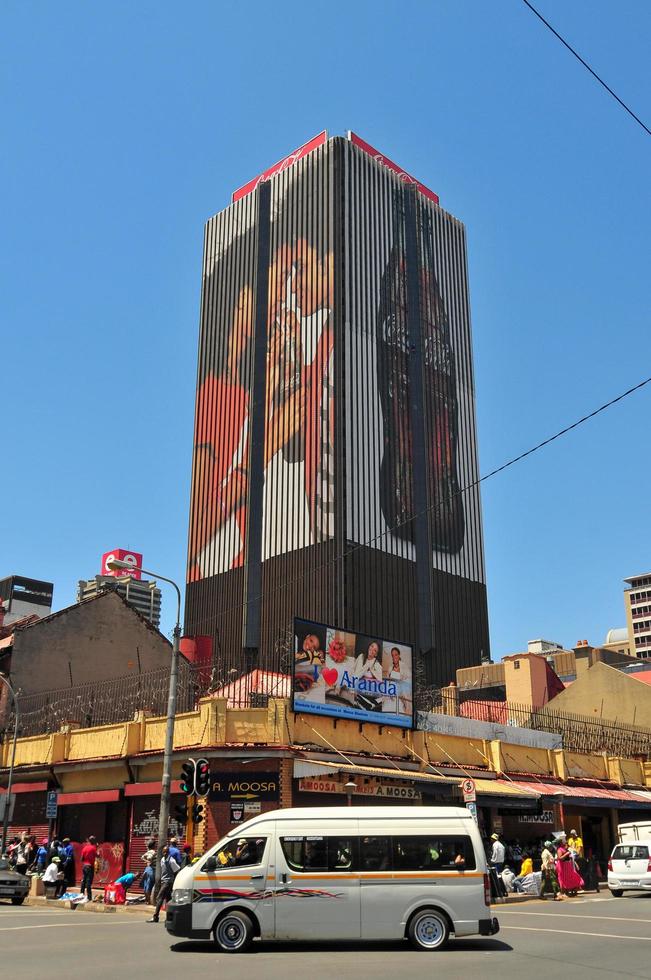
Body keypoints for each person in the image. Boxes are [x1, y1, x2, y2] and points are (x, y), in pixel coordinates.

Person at [148, 845, 180, 922]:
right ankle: (169, 918)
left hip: (168, 882)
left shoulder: (171, 860)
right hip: (164, 881)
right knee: (168, 899)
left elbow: (177, 870)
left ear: (168, 852)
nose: (165, 853)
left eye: (166, 852)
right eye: (164, 852)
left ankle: (155, 917)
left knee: (159, 898)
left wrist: (173, 880)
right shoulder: (162, 859)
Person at [80, 835, 98, 901]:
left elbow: (81, 859)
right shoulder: (93, 848)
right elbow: (98, 856)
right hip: (90, 866)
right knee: (88, 882)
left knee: (83, 880)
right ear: (93, 841)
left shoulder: (85, 848)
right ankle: (89, 897)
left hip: (84, 866)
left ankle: (81, 894)